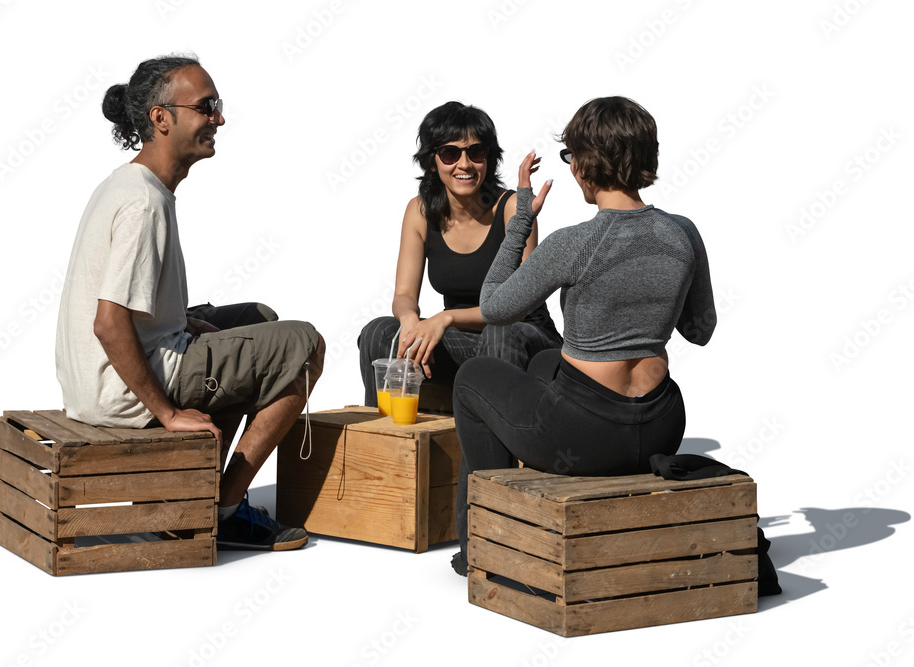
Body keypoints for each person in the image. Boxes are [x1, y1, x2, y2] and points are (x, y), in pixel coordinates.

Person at [55, 54, 325, 551]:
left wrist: (187, 323)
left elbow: (130, 312)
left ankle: (194, 490)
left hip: (102, 379)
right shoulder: (144, 203)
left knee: (256, 320)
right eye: (207, 107)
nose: (219, 118)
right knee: (304, 345)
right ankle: (221, 509)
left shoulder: (135, 185)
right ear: (162, 117)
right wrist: (166, 412)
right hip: (120, 392)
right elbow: (109, 324)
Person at [450, 97, 716, 574]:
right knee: (542, 364)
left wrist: (521, 220)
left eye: (571, 157)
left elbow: (493, 307)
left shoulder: (572, 243)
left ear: (584, 165)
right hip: (660, 427)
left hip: (583, 435)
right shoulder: (684, 233)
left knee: (472, 377)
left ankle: (480, 545)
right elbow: (700, 332)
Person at [357, 101, 561, 410]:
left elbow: (517, 305)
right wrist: (410, 320)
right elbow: (403, 293)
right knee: (381, 332)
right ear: (432, 160)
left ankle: (501, 452)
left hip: (524, 337)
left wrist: (445, 317)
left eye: (476, 153)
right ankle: (382, 440)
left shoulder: (512, 209)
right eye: (450, 154)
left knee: (500, 332)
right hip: (463, 341)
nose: (464, 165)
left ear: (489, 159)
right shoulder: (419, 210)